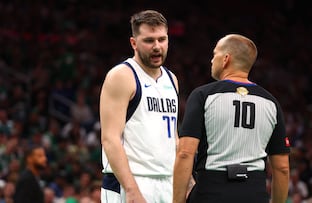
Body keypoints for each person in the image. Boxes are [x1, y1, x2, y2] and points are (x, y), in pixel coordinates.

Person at [173, 34, 290, 203]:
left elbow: (185, 153)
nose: (212, 60)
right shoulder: (271, 103)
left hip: (211, 192)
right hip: (254, 193)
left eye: (215, 54)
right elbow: (282, 168)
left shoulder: (202, 95)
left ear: (226, 59)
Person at [100, 10, 179, 203]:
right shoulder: (122, 76)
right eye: (149, 40)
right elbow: (110, 139)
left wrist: (187, 180)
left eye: (162, 39)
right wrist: (132, 189)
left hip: (167, 181)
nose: (157, 47)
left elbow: (173, 138)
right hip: (131, 181)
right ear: (134, 43)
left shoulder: (172, 79)